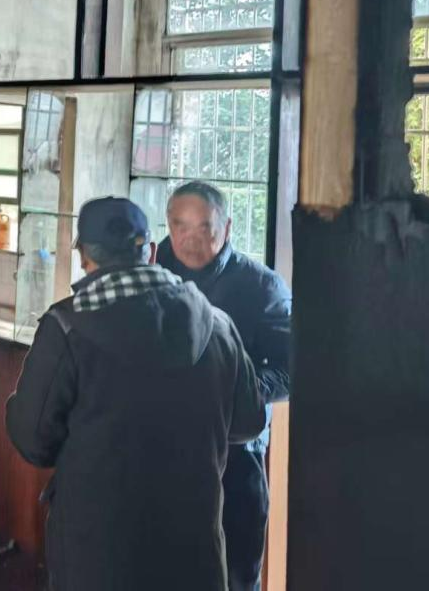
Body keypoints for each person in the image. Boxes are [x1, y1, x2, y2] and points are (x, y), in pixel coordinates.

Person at [6, 196, 265, 591]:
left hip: (98, 556)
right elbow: (249, 421)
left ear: (83, 256)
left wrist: (16, 406)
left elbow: (34, 441)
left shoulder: (67, 327)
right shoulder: (217, 324)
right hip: (194, 552)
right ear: (152, 252)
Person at [158, 181, 293, 591]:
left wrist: (237, 393)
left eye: (204, 227)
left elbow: (291, 371)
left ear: (228, 227)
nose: (190, 239)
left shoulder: (261, 286)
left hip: (234, 456)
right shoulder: (153, 275)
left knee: (234, 575)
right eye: (180, 226)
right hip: (160, 454)